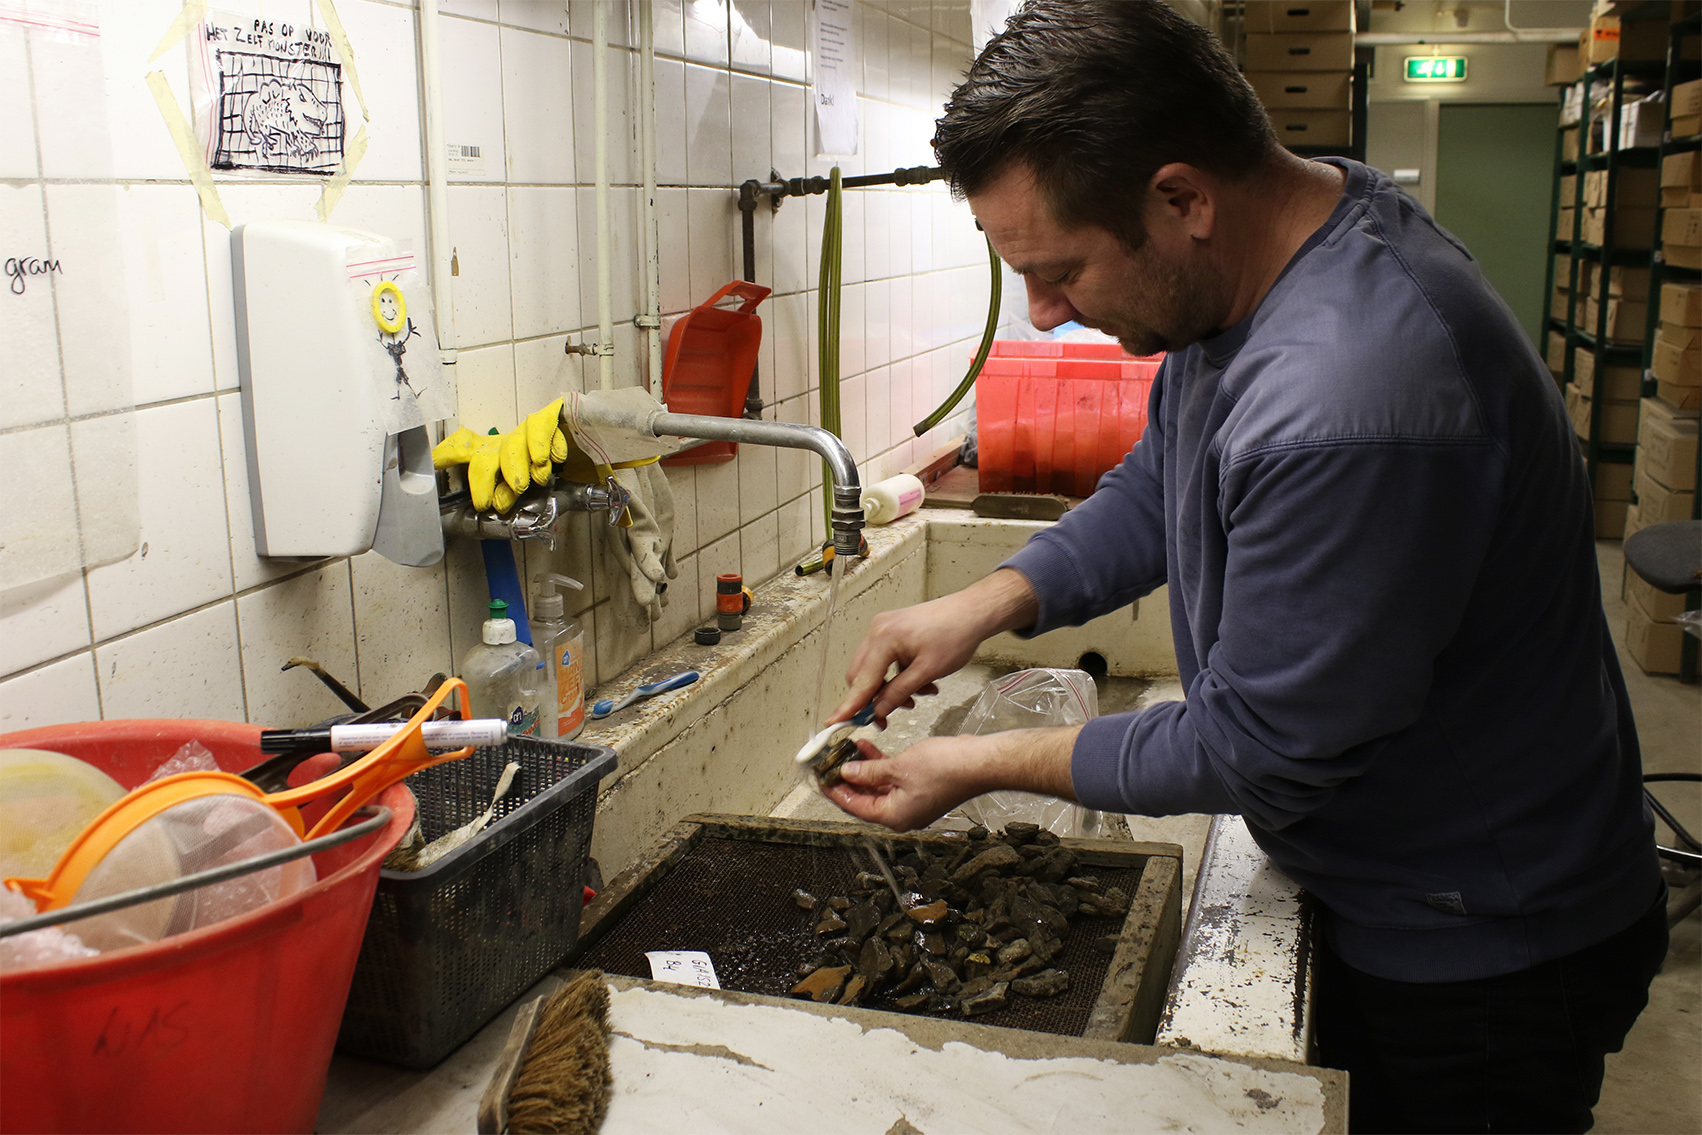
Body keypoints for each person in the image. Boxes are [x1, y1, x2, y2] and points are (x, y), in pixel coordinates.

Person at [822, 3, 1668, 1131]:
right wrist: (986, 604)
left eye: (1063, 268)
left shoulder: (1348, 398)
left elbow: (1261, 747)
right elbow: (1162, 483)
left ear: (1181, 198)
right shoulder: (1265, 269)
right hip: (1412, 880)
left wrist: (972, 763)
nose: (1045, 311)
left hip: (1485, 944)